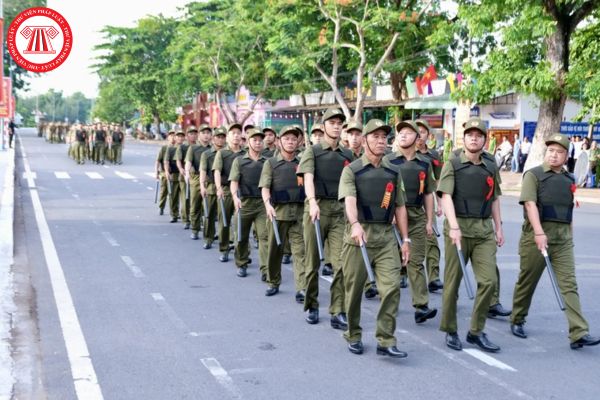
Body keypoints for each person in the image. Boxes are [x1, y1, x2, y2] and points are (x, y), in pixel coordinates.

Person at [510, 134, 600, 349]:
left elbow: (568, 211)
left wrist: (570, 235)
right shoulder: (533, 175)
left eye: (559, 152)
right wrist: (539, 233)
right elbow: (530, 204)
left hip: (562, 241)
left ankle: (578, 331)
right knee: (527, 281)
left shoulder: (569, 180)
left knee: (569, 284)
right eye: (551, 150)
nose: (554, 155)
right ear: (546, 151)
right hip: (536, 238)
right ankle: (517, 318)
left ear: (566, 155)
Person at [339, 118, 410, 357]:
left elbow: (399, 207)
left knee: (391, 288)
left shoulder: (393, 171)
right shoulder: (352, 170)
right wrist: (355, 224)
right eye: (375, 137)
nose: (381, 141)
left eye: (384, 137)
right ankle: (353, 333)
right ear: (365, 140)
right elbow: (349, 201)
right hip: (359, 239)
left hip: (386, 238)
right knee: (354, 291)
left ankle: (386, 339)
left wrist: (406, 239)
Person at [438, 117, 504, 353]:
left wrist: (499, 226)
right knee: (453, 282)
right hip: (459, 229)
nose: (474, 138)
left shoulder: (490, 165)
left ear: (485, 140)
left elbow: (495, 197)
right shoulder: (453, 164)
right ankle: (450, 329)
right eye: (470, 135)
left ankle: (476, 331)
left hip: (484, 229)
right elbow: (445, 196)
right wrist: (454, 226)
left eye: (478, 135)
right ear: (463, 139)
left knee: (488, 281)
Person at [297, 108, 352, 328]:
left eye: (340, 122)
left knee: (341, 264)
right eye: (332, 122)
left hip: (339, 211)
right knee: (312, 263)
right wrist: (311, 202)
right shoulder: (313, 151)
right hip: (316, 209)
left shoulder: (347, 155)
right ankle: (311, 304)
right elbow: (308, 178)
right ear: (324, 125)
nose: (337, 126)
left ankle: (338, 310)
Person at [385, 120, 438, 324]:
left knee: (416, 261)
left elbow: (429, 193)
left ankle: (421, 306)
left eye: (409, 133)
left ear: (418, 138)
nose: (403, 136)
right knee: (392, 263)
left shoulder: (424, 163)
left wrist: (429, 220)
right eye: (401, 133)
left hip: (416, 216)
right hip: (392, 217)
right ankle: (389, 303)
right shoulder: (389, 160)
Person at [260, 125, 306, 301]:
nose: (290, 142)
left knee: (300, 251)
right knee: (275, 250)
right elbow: (265, 188)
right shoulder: (270, 163)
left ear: (298, 142)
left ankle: (302, 288)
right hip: (278, 213)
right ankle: (273, 281)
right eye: (286, 139)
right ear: (279, 142)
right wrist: (268, 205)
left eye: (294, 139)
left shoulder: (302, 163)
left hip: (299, 213)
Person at [230, 128, 268, 278]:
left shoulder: (267, 162)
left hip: (262, 205)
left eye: (260, 140)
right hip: (244, 203)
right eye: (255, 140)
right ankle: (241, 262)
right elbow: (234, 182)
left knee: (265, 237)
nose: (258, 143)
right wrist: (235, 198)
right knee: (241, 236)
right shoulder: (239, 161)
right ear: (248, 142)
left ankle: (266, 269)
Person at [416, 119, 444, 292]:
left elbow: (438, 180)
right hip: (406, 203)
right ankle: (404, 271)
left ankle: (433, 277)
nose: (419, 135)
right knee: (406, 239)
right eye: (416, 131)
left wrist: (440, 202)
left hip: (427, 202)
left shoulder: (434, 156)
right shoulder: (403, 154)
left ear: (428, 135)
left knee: (431, 239)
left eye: (423, 132)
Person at [213, 124, 246, 262]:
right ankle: (224, 248)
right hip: (226, 190)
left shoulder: (245, 153)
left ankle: (242, 252)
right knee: (224, 221)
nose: (236, 136)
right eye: (233, 133)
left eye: (239, 133)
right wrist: (219, 187)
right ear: (228, 137)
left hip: (242, 191)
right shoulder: (222, 153)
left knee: (241, 222)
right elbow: (217, 171)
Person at [200, 127, 227, 249]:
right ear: (213, 138)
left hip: (226, 188)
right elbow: (203, 170)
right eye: (218, 137)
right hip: (211, 187)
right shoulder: (207, 154)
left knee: (224, 215)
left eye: (223, 137)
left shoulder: (228, 153)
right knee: (209, 214)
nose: (220, 139)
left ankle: (225, 239)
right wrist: (202, 185)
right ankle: (208, 237)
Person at [186, 125, 212, 240]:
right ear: (199, 135)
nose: (206, 135)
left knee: (210, 207)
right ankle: (195, 229)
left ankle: (209, 232)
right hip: (196, 178)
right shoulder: (193, 148)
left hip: (210, 179)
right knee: (195, 205)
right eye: (203, 133)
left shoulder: (213, 149)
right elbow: (188, 162)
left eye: (208, 133)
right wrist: (187, 173)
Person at [176, 128, 197, 230]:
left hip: (197, 176)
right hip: (185, 176)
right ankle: (186, 219)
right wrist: (181, 169)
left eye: (194, 134)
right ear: (187, 136)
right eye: (191, 134)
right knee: (186, 198)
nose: (193, 136)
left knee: (196, 200)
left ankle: (196, 220)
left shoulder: (199, 147)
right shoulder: (182, 147)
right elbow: (178, 160)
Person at [164, 131, 185, 223]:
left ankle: (184, 215)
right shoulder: (170, 149)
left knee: (185, 197)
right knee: (173, 196)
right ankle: (174, 214)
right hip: (174, 174)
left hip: (184, 175)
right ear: (175, 138)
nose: (180, 138)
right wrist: (166, 171)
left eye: (182, 136)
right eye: (178, 136)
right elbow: (166, 161)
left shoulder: (187, 148)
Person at [155, 132, 175, 215]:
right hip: (164, 172)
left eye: (174, 136)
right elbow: (158, 160)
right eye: (171, 136)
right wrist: (156, 172)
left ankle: (173, 211)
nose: (173, 137)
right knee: (164, 191)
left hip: (175, 173)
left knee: (174, 194)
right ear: (168, 137)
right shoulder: (164, 148)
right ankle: (161, 207)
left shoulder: (179, 147)